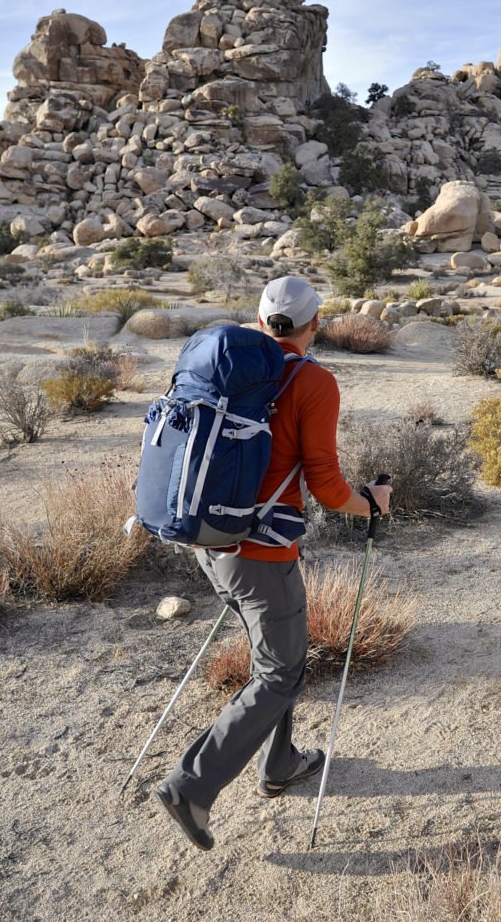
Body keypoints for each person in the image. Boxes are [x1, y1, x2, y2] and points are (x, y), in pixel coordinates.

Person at [154, 275, 391, 851]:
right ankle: (191, 786)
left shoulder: (226, 366)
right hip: (262, 555)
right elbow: (330, 489)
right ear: (316, 324)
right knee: (279, 672)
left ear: (261, 319)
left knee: (277, 658)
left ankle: (280, 760)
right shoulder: (312, 381)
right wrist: (373, 504)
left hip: (207, 542)